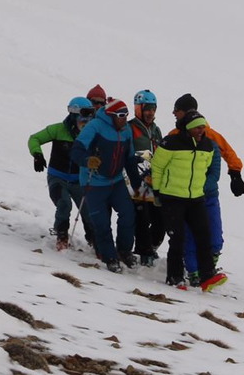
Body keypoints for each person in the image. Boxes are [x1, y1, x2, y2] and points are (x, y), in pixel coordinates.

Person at [169, 93, 244, 286]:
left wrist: (235, 174)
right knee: (189, 236)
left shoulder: (210, 135)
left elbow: (229, 153)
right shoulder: (175, 135)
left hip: (207, 195)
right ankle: (195, 271)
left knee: (214, 236)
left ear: (186, 111)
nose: (173, 114)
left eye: (176, 110)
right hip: (184, 194)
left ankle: (208, 266)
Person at [151, 111, 227, 292]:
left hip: (195, 198)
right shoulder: (171, 143)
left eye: (203, 127)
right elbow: (158, 166)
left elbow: (206, 168)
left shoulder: (208, 146)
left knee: (204, 234)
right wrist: (158, 192)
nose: (202, 130)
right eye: (198, 127)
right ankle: (174, 277)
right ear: (189, 128)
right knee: (177, 238)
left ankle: (207, 275)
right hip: (172, 197)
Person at [71, 97, 140, 273]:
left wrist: (136, 183)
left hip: (116, 181)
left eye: (126, 115)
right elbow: (76, 150)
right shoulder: (95, 126)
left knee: (128, 214)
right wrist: (87, 160)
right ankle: (109, 257)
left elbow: (130, 158)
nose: (125, 118)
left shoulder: (126, 130)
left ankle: (124, 250)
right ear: (110, 115)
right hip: (94, 182)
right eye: (121, 115)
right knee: (101, 223)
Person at [27, 97, 97, 248]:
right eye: (82, 118)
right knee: (64, 204)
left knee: (88, 209)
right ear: (73, 115)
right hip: (57, 177)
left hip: (79, 180)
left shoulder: (91, 134)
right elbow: (34, 139)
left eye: (89, 117)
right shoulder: (58, 129)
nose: (85, 122)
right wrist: (37, 155)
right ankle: (61, 234)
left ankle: (94, 239)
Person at [128, 89, 165, 267]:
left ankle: (150, 246)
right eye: (147, 108)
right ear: (138, 108)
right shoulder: (130, 128)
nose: (151, 112)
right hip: (136, 180)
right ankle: (144, 252)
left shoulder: (156, 130)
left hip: (155, 181)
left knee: (160, 218)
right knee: (142, 218)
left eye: (153, 108)